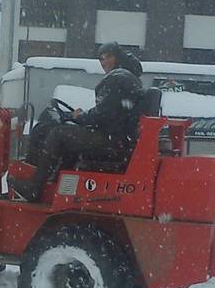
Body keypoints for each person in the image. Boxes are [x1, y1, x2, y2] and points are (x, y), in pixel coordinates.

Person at [9, 42, 143, 202]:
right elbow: (109, 113)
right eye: (101, 58)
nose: (103, 62)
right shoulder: (128, 79)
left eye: (107, 57)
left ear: (117, 57)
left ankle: (35, 186)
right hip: (118, 139)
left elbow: (103, 115)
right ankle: (55, 182)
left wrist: (78, 117)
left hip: (112, 141)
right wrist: (79, 117)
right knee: (67, 135)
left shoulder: (118, 78)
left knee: (58, 134)